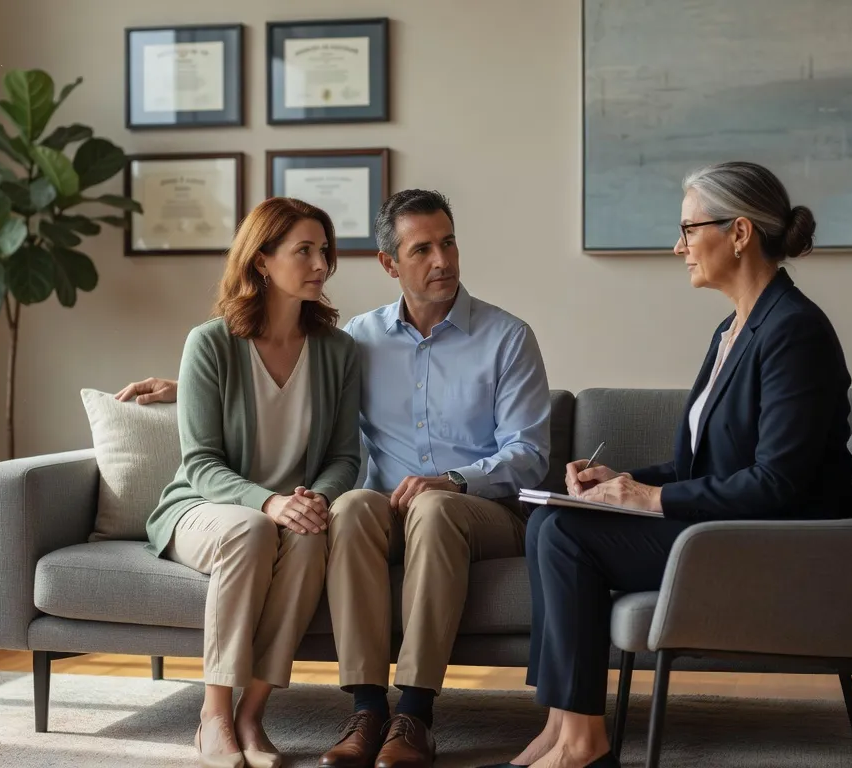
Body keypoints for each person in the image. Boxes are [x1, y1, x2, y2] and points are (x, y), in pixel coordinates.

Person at [120, 189, 552, 768]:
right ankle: (367, 709)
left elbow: (529, 455)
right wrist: (187, 388)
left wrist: (452, 479)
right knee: (347, 509)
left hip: (479, 510)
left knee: (429, 506)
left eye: (448, 243)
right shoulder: (361, 339)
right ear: (389, 264)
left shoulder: (506, 337)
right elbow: (274, 378)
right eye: (422, 249)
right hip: (379, 510)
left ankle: (414, 714)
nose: (442, 260)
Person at [500, 161, 852, 768]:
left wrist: (650, 500)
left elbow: (779, 482)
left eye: (689, 229)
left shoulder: (795, 331)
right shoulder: (734, 329)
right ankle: (561, 729)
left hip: (779, 543)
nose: (679, 247)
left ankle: (583, 746)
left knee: (565, 534)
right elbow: (705, 462)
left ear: (739, 233)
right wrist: (624, 482)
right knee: (550, 521)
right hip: (732, 526)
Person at [128, 197, 361, 768]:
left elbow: (343, 456)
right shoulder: (210, 343)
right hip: (205, 507)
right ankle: (213, 716)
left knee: (311, 535)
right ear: (261, 260)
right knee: (252, 530)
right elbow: (201, 462)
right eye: (303, 250)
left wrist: (316, 498)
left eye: (324, 250)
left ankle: (252, 714)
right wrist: (269, 502)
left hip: (293, 509)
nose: (320, 264)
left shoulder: (338, 350)